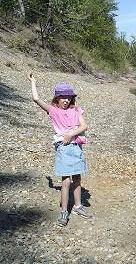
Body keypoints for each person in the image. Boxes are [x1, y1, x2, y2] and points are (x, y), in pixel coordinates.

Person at [29, 74, 92, 226]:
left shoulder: (76, 110)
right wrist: (33, 82)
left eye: (69, 98)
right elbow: (36, 99)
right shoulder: (53, 111)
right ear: (57, 98)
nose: (66, 100)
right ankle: (64, 211)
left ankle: (77, 206)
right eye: (63, 97)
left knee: (77, 178)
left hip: (76, 147)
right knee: (65, 182)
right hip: (63, 149)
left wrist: (70, 133)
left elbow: (84, 126)